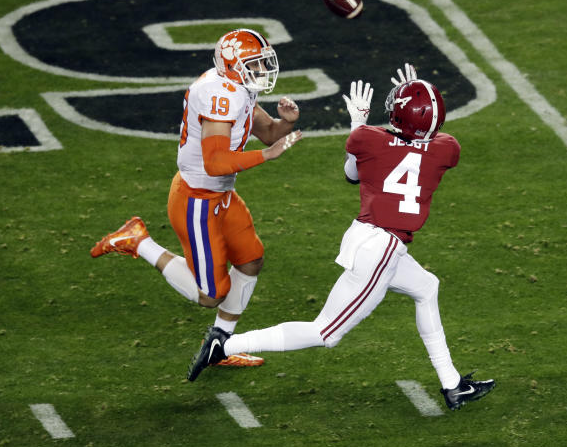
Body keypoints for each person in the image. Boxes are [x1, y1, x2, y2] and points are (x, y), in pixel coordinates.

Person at [187, 64, 495, 411]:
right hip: (382, 247)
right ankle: (223, 346)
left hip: (370, 240)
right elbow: (425, 139)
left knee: (426, 287)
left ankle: (453, 386)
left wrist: (358, 124)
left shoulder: (368, 139)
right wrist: (412, 106)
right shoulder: (446, 149)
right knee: (325, 333)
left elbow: (353, 173)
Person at [90, 28, 302, 368]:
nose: (261, 71)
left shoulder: (236, 87)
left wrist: (286, 124)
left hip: (220, 194)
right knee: (211, 294)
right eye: (254, 65)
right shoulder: (220, 95)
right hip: (197, 201)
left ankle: (219, 346)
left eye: (262, 63)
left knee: (250, 260)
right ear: (233, 66)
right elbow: (216, 163)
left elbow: (267, 132)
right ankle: (138, 240)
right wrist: (269, 155)